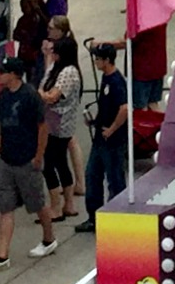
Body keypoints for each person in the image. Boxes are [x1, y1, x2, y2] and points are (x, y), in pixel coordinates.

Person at [0, 53, 55, 268]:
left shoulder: (30, 96)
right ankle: (2, 255)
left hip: (26, 159)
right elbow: (1, 126)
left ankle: (49, 239)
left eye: (2, 72)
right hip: (6, 159)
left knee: (37, 204)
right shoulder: (4, 96)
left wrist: (38, 157)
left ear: (13, 74)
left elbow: (43, 127)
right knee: (5, 207)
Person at [77, 39, 129, 229]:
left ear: (107, 60)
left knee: (114, 179)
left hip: (112, 140)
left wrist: (112, 128)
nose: (96, 62)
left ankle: (117, 218)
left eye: (98, 59)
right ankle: (94, 217)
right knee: (92, 175)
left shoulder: (116, 82)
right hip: (100, 138)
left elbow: (124, 108)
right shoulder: (106, 79)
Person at [40, 16, 83, 231]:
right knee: (60, 163)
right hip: (56, 123)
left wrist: (40, 94)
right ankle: (68, 204)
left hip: (59, 124)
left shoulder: (68, 73)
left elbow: (51, 96)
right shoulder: (57, 68)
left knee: (50, 164)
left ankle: (56, 205)